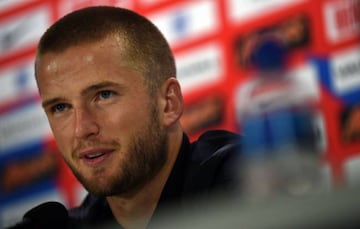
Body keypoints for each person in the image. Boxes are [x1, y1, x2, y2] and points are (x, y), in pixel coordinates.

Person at [34, 6, 241, 229]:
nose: (81, 129)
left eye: (104, 95)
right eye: (61, 107)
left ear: (168, 103)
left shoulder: (243, 182)